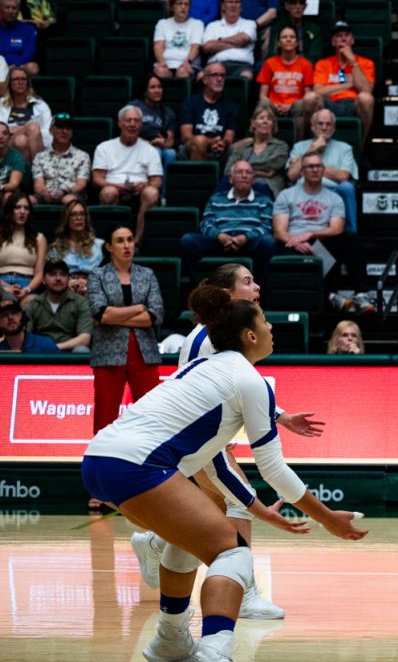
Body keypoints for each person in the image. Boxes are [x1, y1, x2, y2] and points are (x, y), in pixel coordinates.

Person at [83, 283, 366, 662]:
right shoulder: (251, 381)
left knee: (185, 543)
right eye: (265, 321)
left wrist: (259, 510)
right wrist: (328, 518)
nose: (271, 327)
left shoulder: (203, 367)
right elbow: (274, 469)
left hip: (98, 458)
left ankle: (170, 641)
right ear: (250, 335)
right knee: (233, 554)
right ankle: (215, 650)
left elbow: (209, 460)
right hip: (138, 466)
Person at [273, 152, 374, 313]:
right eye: (310, 166)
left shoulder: (334, 198)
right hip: (293, 242)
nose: (314, 170)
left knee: (351, 239)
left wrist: (310, 234)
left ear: (323, 170)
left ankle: (361, 294)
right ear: (302, 171)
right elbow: (279, 231)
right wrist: (298, 241)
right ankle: (329, 296)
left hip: (321, 239)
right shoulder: (287, 195)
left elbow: (337, 228)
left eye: (318, 166)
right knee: (282, 249)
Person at [86, 225, 163, 438]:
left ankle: (150, 462)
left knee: (151, 414)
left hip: (144, 352)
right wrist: (139, 308)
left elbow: (155, 316)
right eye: (120, 241)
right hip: (108, 354)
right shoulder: (97, 275)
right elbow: (102, 314)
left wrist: (116, 315)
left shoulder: (147, 274)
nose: (127, 245)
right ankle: (102, 464)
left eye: (130, 239)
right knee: (105, 416)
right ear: (109, 247)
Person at [180, 161, 275, 283]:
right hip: (219, 242)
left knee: (268, 242)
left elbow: (266, 226)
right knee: (188, 240)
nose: (244, 175)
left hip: (249, 243)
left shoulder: (264, 200)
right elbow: (206, 224)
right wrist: (220, 236)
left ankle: (258, 287)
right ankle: (198, 287)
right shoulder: (216, 198)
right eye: (239, 172)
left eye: (248, 172)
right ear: (230, 179)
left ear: (253, 179)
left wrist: (244, 238)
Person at [93, 107, 162, 245]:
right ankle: (112, 242)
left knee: (152, 193)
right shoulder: (104, 147)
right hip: (113, 187)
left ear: (141, 125)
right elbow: (97, 179)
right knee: (108, 192)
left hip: (140, 190)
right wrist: (115, 186)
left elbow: (157, 181)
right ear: (120, 124)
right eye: (128, 120)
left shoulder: (150, 150)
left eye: (136, 121)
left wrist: (145, 185)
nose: (132, 124)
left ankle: (137, 242)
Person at [286, 107, 358, 233]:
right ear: (313, 127)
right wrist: (312, 149)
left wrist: (310, 169)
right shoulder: (299, 147)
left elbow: (344, 176)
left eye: (328, 124)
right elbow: (292, 175)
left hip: (334, 190)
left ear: (333, 128)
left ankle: (350, 233)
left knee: (347, 187)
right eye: (320, 124)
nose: (324, 128)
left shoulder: (345, 148)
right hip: (305, 190)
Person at [311, 21, 376, 137]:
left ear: (352, 40)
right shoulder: (323, 64)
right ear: (333, 42)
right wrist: (348, 85)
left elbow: (367, 91)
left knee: (366, 99)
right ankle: (314, 143)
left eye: (347, 35)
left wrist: (353, 62)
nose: (343, 39)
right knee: (310, 98)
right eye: (339, 36)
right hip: (329, 103)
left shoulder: (366, 63)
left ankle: (361, 146)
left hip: (353, 103)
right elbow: (318, 91)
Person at [23, 258, 91, 352]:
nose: (58, 278)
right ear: (43, 280)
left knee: (82, 350)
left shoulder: (80, 302)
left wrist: (54, 347)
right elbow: (24, 337)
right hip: (40, 354)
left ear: (68, 279)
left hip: (70, 353)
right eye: (52, 274)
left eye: (63, 274)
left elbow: (85, 338)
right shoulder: (34, 304)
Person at [226, 102, 290, 197]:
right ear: (253, 123)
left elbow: (272, 164)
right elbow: (228, 170)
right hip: (239, 186)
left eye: (269, 119)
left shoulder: (281, 146)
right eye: (261, 118)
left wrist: (241, 170)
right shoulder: (243, 147)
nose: (265, 121)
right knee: (224, 183)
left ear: (273, 124)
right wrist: (260, 173)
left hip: (266, 187)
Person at [180, 62, 239, 161]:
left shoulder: (231, 106)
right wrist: (210, 142)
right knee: (200, 141)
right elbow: (186, 136)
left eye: (222, 75)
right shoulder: (191, 102)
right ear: (205, 80)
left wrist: (223, 143)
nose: (219, 79)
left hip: (220, 148)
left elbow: (229, 137)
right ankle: (199, 176)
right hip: (193, 147)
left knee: (248, 143)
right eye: (215, 75)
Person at [31, 114, 89, 206]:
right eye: (60, 127)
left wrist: (65, 192)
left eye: (68, 128)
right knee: (28, 201)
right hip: (45, 194)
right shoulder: (39, 157)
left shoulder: (83, 156)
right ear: (50, 130)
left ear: (72, 133)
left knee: (68, 199)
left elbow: (81, 184)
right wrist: (45, 193)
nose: (64, 131)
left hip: (72, 194)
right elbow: (38, 185)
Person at [201, 0, 256, 81]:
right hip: (215, 65)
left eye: (237, 2)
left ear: (241, 6)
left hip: (242, 66)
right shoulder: (212, 26)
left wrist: (219, 41)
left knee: (247, 76)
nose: (233, 5)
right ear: (223, 6)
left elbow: (243, 39)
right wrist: (237, 42)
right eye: (230, 2)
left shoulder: (249, 24)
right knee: (200, 76)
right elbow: (207, 47)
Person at [0, 194, 45, 306]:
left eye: (26, 208)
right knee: (7, 305)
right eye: (18, 207)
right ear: (10, 211)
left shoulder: (39, 238)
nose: (22, 211)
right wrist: (5, 287)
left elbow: (39, 274)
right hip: (1, 282)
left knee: (30, 306)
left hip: (27, 284)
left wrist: (26, 290)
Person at [0, 66, 50, 160]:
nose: (20, 82)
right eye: (16, 79)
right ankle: (39, 170)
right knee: (33, 126)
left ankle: (27, 173)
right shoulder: (1, 104)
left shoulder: (40, 105)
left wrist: (18, 130)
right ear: (9, 83)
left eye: (23, 79)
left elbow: (48, 134)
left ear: (28, 83)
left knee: (21, 141)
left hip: (37, 144)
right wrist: (27, 128)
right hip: (5, 145)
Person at [129, 75, 178, 169]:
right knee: (156, 152)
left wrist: (163, 143)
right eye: (152, 87)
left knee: (171, 153)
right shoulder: (134, 107)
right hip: (137, 145)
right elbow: (128, 133)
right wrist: (149, 143)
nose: (157, 91)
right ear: (145, 91)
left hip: (159, 146)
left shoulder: (167, 113)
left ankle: (166, 184)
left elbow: (170, 141)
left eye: (159, 87)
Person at [49, 201, 104, 282]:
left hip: (94, 289)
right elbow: (51, 277)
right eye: (73, 214)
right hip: (65, 290)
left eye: (82, 214)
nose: (79, 218)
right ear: (66, 219)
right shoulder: (57, 248)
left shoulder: (100, 245)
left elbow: (107, 275)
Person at [154, 0, 203, 80]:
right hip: (166, 63)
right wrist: (162, 62)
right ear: (172, 6)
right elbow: (158, 46)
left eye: (186, 4)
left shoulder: (197, 24)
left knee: (183, 72)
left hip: (189, 64)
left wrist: (187, 62)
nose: (183, 7)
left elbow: (195, 47)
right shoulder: (162, 23)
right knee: (161, 71)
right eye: (179, 4)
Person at [267, 0, 324, 64]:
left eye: (301, 3)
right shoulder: (277, 28)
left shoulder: (314, 29)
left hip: (306, 68)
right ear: (286, 6)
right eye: (293, 3)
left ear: (305, 6)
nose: (298, 6)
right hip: (282, 67)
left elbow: (315, 56)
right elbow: (272, 54)